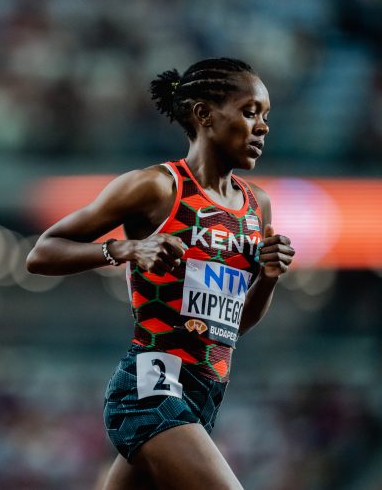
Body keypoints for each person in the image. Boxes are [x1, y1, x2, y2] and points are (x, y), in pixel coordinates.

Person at [27, 58, 295, 489]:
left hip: (204, 396)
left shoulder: (256, 206)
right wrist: (127, 248)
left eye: (265, 117)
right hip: (150, 388)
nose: (262, 127)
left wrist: (269, 277)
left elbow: (232, 326)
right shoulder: (157, 187)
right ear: (204, 114)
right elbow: (41, 253)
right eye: (249, 112)